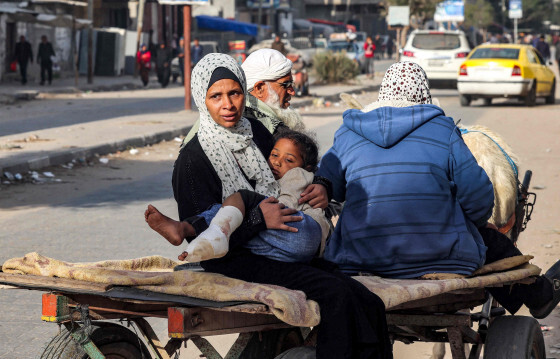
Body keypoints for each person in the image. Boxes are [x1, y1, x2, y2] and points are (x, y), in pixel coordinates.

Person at [171, 52, 392, 359]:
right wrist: (258, 221)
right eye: (216, 96)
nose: (228, 105)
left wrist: (321, 186)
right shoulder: (192, 159)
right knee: (336, 296)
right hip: (237, 257)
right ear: (201, 99)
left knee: (370, 303)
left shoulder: (255, 131)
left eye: (234, 93)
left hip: (281, 244)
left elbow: (297, 163)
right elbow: (202, 238)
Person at [317, 61, 560, 319]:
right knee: (492, 241)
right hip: (439, 259)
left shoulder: (348, 133)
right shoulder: (442, 130)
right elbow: (478, 199)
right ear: (423, 94)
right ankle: (541, 296)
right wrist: (469, 223)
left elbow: (329, 188)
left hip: (357, 259)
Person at [146, 129, 330, 263]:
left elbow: (284, 208)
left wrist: (260, 214)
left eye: (289, 160)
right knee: (230, 222)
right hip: (283, 248)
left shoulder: (298, 175)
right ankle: (199, 244)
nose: (277, 162)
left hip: (303, 231)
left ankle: (187, 228)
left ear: (307, 168)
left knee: (241, 199)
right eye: (274, 155)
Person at [181, 49, 304, 145]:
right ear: (259, 88)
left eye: (234, 94)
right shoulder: (261, 128)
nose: (292, 91)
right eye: (285, 85)